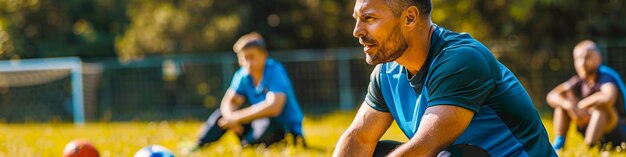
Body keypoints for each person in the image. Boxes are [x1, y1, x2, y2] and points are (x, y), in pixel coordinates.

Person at [333, 0, 556, 156]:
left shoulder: (461, 60)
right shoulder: (387, 73)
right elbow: (359, 138)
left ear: (409, 18)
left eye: (368, 18)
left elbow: (424, 149)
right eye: (357, 19)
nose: (357, 31)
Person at [195, 32, 305, 148]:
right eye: (243, 58)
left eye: (251, 57)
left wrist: (237, 117)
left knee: (269, 124)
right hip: (258, 123)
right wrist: (230, 118)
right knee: (221, 115)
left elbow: (274, 107)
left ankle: (248, 144)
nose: (247, 63)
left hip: (285, 130)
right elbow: (228, 102)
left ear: (264, 55)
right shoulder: (243, 75)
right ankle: (200, 145)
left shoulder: (274, 70)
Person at [547, 40, 626, 150]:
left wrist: (581, 105)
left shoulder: (606, 76)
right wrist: (569, 106)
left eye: (587, 57)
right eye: (578, 59)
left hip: (619, 130)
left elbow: (608, 98)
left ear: (598, 58)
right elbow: (551, 96)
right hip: (590, 126)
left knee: (601, 108)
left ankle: (590, 146)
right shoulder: (579, 80)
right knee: (563, 102)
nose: (582, 63)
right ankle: (558, 145)